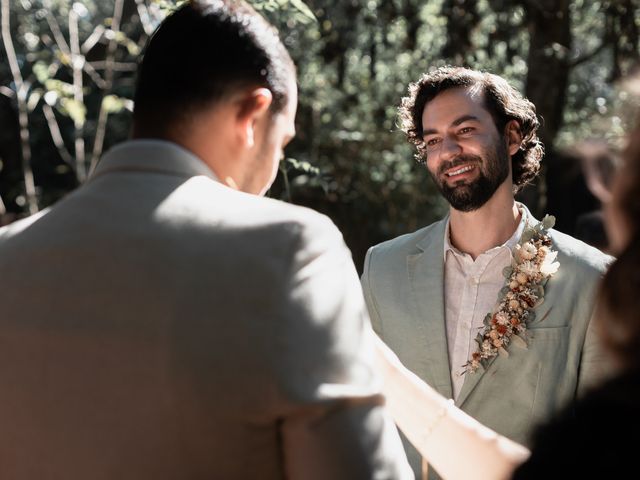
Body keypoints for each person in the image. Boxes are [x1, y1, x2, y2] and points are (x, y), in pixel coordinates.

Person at [0, 2, 412, 479]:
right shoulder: (291, 250)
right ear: (252, 116)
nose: (276, 166)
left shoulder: (8, 255)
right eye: (282, 143)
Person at [360, 66, 613, 478]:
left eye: (465, 130)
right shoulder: (382, 267)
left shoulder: (593, 279)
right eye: (433, 140)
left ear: (512, 136)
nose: (449, 151)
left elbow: (604, 442)